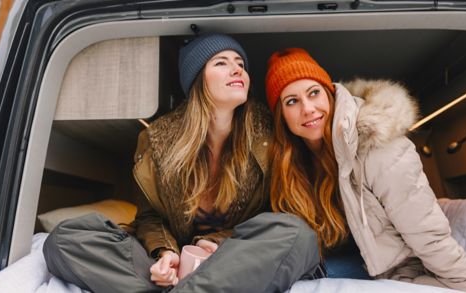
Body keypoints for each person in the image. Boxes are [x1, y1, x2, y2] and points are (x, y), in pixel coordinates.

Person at [43, 35, 319, 293]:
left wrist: (214, 242)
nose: (237, 70)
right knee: (63, 240)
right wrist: (165, 254)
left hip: (234, 259)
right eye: (221, 63)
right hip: (177, 258)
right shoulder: (156, 140)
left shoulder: (268, 136)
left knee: (298, 235)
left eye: (240, 64)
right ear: (197, 79)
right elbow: (150, 217)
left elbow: (273, 211)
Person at [264, 47, 466, 292]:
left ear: (329, 93)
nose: (307, 108)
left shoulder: (378, 145)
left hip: (401, 266)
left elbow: (426, 231)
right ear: (281, 116)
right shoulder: (291, 164)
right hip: (353, 257)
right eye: (292, 101)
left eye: (314, 93)